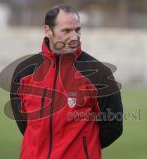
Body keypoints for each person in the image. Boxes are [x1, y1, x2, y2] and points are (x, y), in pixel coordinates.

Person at [10, 4, 123, 159]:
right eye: (66, 31)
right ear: (48, 31)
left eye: (77, 30)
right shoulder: (24, 72)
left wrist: (82, 148)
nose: (74, 36)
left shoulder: (99, 74)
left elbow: (113, 126)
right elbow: (24, 123)